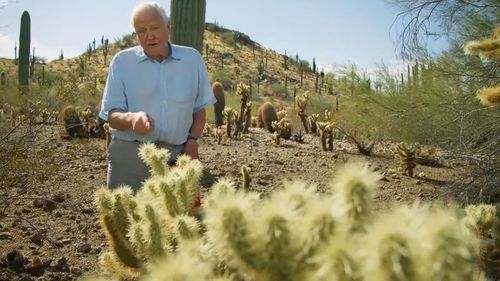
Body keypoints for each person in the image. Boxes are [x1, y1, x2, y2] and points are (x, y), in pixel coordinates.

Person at [99, 2, 215, 192]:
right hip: (130, 156)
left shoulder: (192, 60)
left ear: (168, 27)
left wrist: (193, 141)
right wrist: (131, 118)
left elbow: (199, 108)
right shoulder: (122, 62)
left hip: (177, 155)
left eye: (155, 28)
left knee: (176, 218)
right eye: (141, 30)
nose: (149, 36)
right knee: (125, 218)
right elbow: (111, 115)